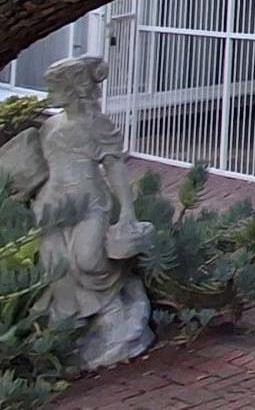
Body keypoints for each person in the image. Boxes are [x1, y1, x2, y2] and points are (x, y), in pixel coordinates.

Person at [34, 55, 154, 369]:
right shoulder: (49, 125)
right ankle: (70, 327)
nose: (49, 92)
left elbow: (115, 170)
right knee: (55, 266)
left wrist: (127, 212)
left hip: (90, 201)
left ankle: (115, 307)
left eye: (55, 86)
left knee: (89, 259)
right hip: (52, 205)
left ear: (74, 88)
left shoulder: (97, 125)